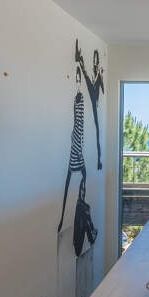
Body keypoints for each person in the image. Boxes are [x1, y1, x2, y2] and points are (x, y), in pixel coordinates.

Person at [57, 71, 87, 232]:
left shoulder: (79, 98)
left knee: (76, 179)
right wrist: (77, 148)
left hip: (77, 144)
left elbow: (79, 126)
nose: (78, 82)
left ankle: (73, 211)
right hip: (76, 144)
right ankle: (63, 218)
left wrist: (78, 149)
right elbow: (78, 127)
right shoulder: (78, 99)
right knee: (73, 180)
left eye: (78, 79)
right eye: (77, 79)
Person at [75, 40, 104, 170]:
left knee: (97, 131)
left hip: (94, 101)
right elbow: (91, 80)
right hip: (92, 95)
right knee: (85, 75)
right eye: (94, 60)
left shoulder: (98, 75)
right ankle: (79, 59)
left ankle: (98, 160)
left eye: (96, 61)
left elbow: (102, 89)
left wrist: (99, 75)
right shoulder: (93, 74)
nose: (95, 63)